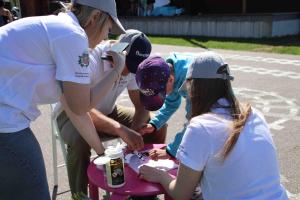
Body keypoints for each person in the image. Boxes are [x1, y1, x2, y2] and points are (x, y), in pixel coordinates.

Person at [0, 0, 126, 199]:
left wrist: (102, 152)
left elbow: (74, 108)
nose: (105, 38)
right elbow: (81, 105)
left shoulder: (61, 30)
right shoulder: (73, 36)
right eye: (107, 30)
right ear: (94, 18)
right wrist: (117, 70)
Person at [139, 51, 288, 200]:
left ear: (193, 86)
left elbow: (180, 194)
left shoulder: (200, 127)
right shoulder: (254, 113)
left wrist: (160, 175)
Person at [59, 29, 168, 196]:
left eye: (135, 67)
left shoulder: (133, 67)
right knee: (79, 140)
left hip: (108, 112)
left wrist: (136, 131)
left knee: (156, 125)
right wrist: (121, 130)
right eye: (128, 64)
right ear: (118, 50)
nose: (128, 72)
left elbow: (141, 106)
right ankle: (79, 195)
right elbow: (82, 109)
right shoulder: (91, 59)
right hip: (71, 114)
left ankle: (141, 190)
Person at [139, 52, 195, 160]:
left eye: (160, 93)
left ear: (170, 80)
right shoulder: (168, 72)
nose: (160, 97)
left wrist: (171, 151)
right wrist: (154, 124)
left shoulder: (191, 82)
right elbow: (171, 104)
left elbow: (193, 123)